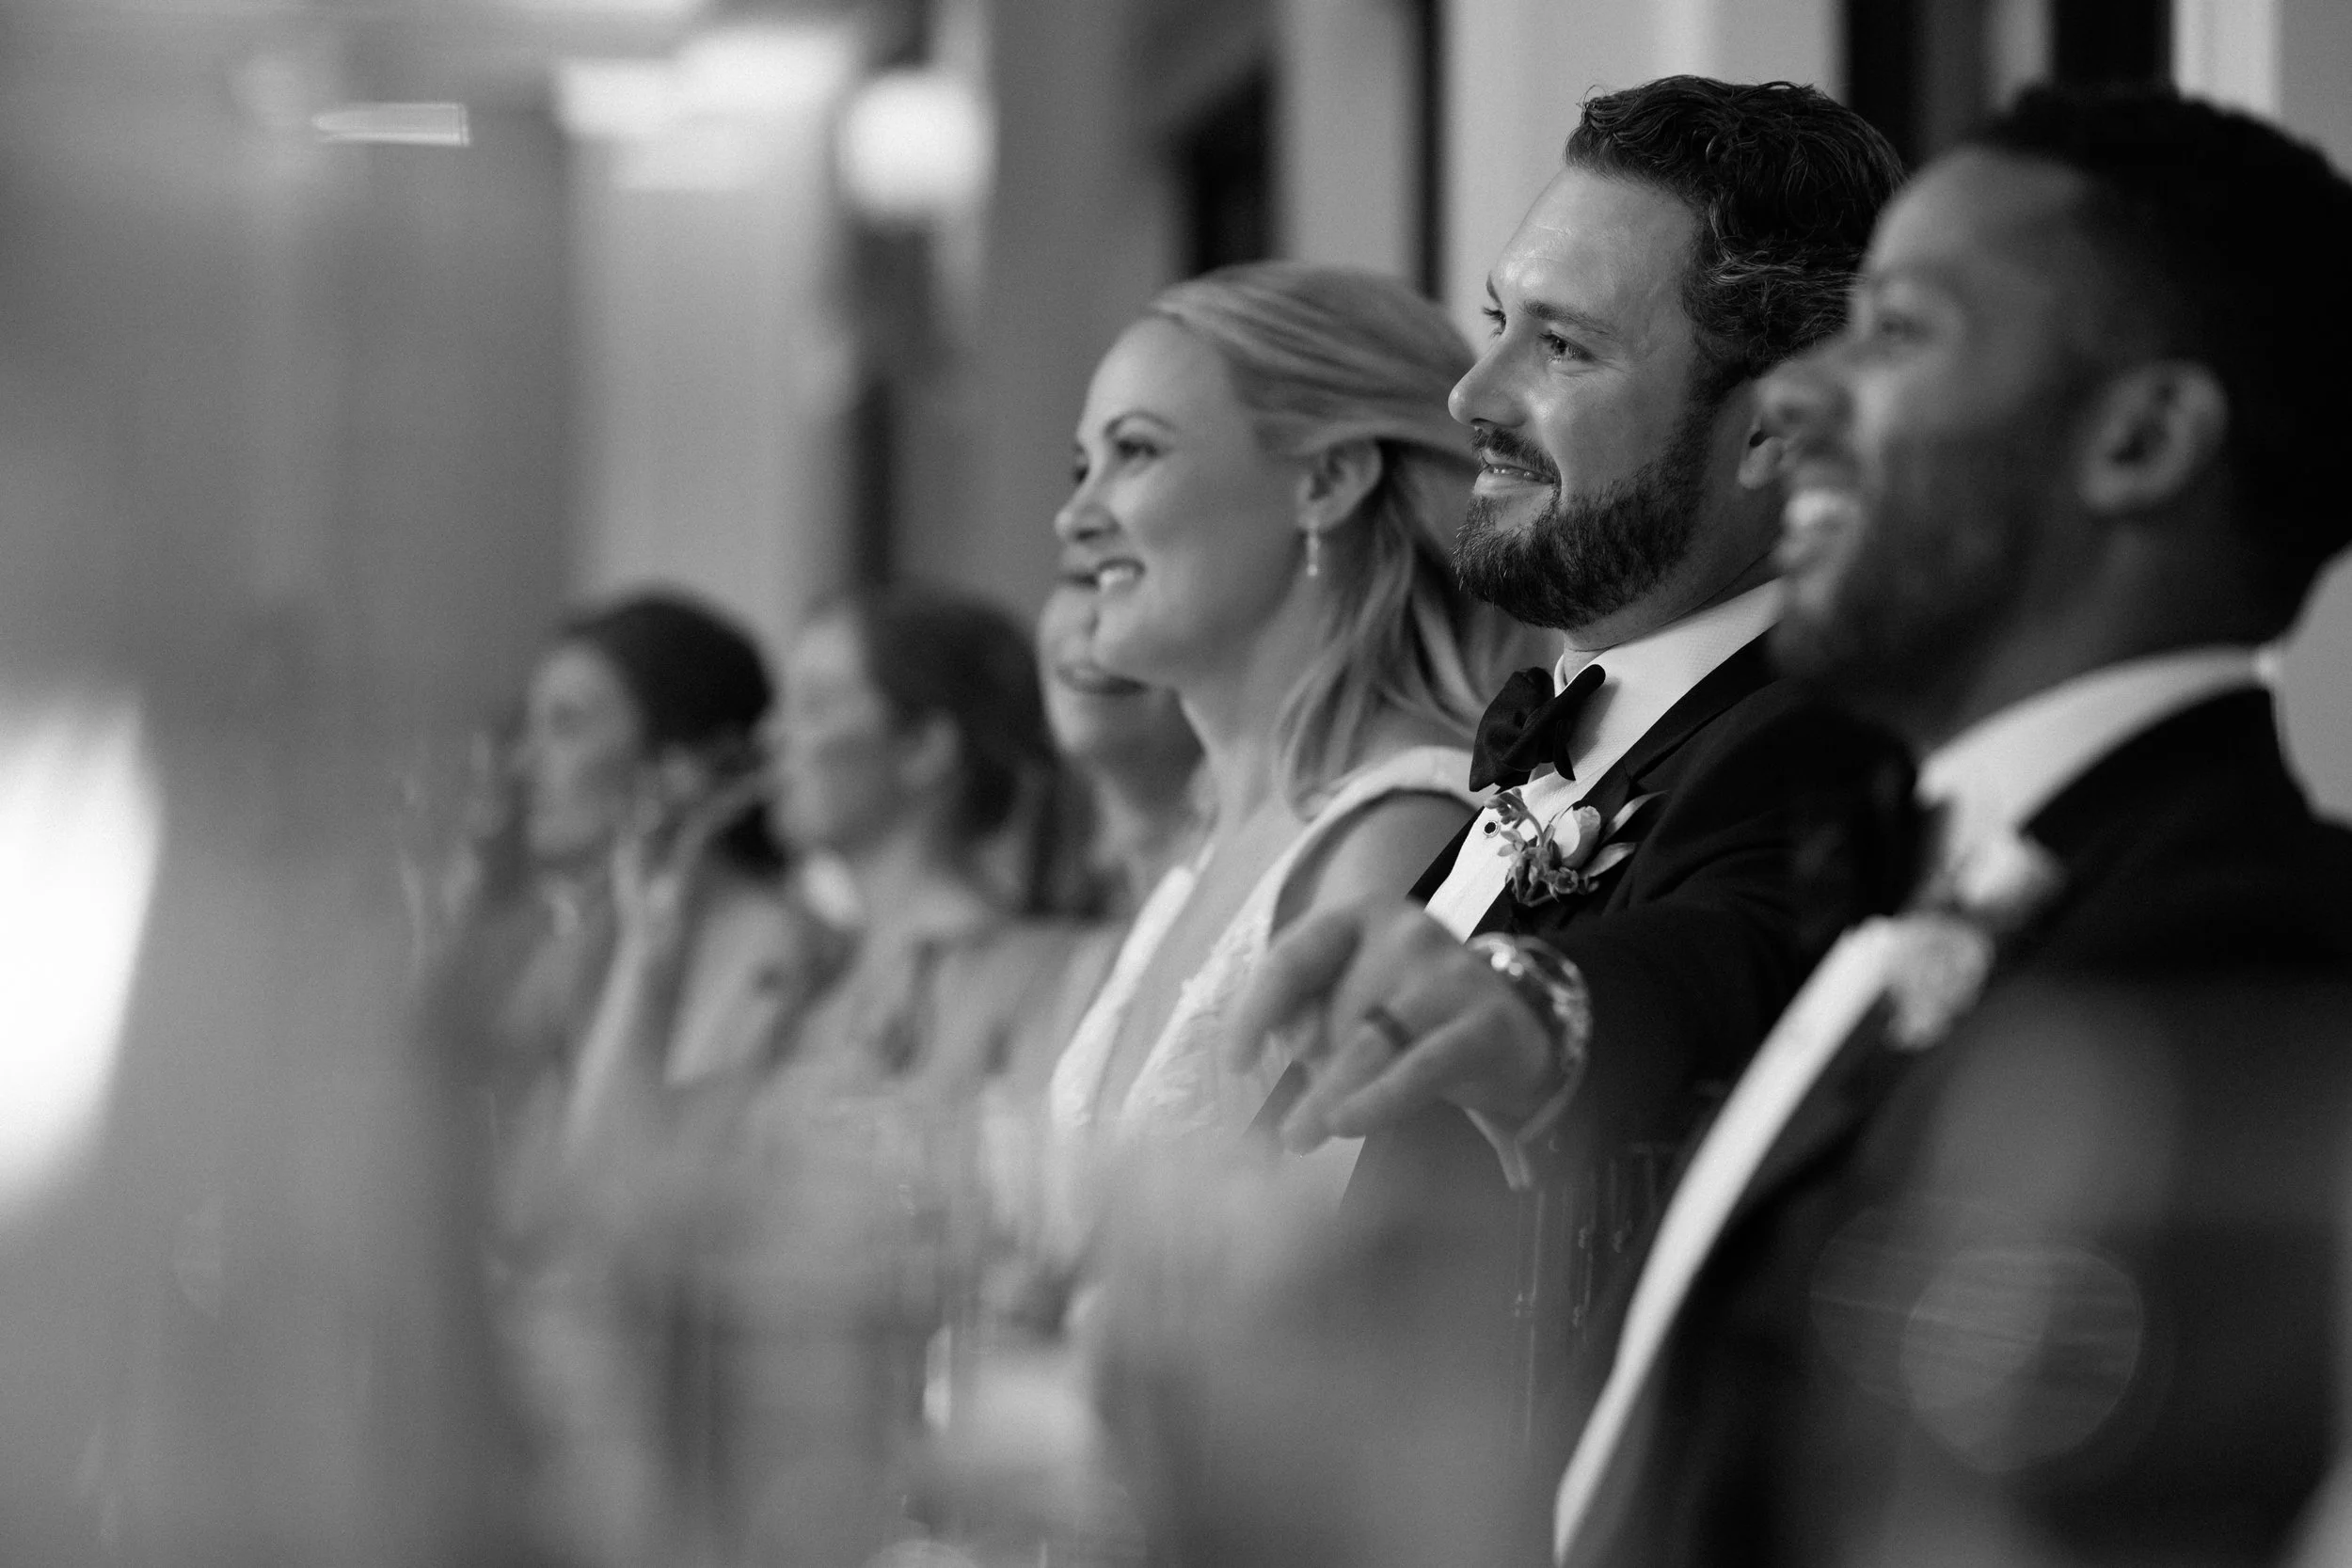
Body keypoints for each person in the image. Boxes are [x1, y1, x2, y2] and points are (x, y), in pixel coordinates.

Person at [1547, 85, 2352, 1568]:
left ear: (2143, 438)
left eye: (1901, 331)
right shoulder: (1917, 870)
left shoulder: (2224, 981)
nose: (1791, 396)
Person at [1223, 76, 1905, 1495]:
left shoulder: (1818, 744)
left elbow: (1720, 963)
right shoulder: (1561, 736)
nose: (1476, 397)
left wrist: (1542, 1007)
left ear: (1777, 430)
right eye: (1497, 325)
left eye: (1567, 348)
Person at [1043, 261, 1534, 1165]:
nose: (1074, 516)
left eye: (1137, 451)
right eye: (1084, 465)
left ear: (1328, 480)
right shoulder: (1207, 853)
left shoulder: (1391, 839)